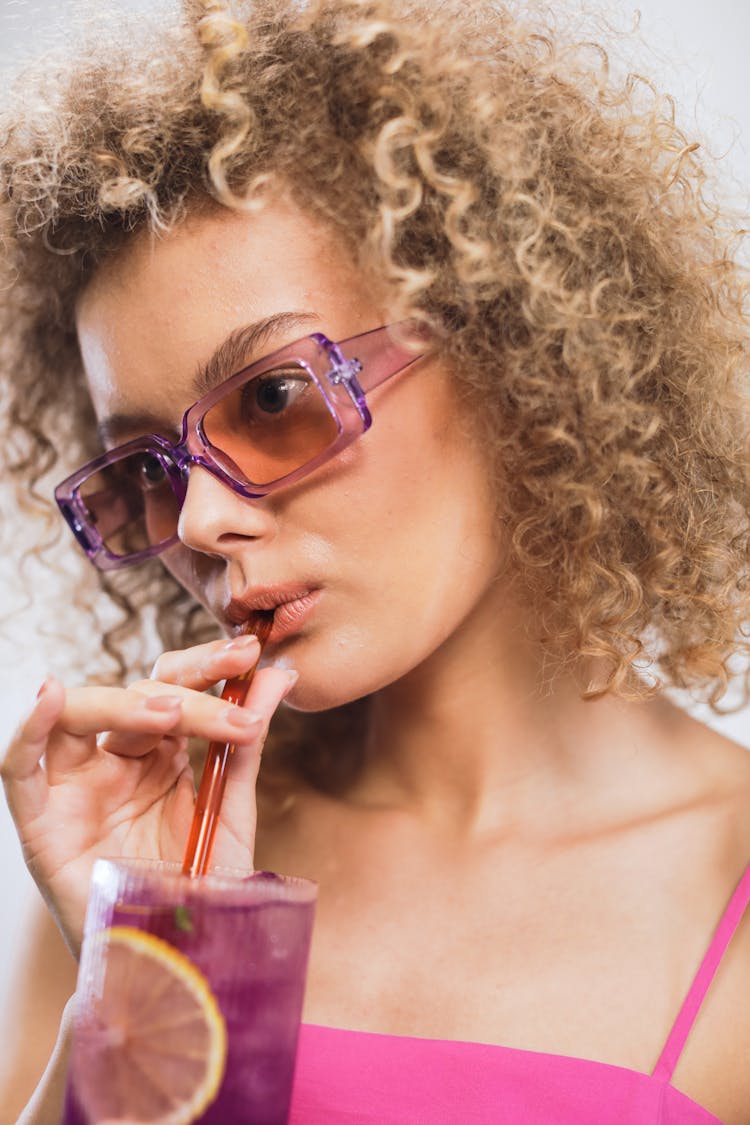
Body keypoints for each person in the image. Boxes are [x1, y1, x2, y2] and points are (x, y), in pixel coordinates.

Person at [1, 0, 750, 1121]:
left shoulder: (726, 873)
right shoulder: (159, 871)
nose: (199, 520)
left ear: (512, 348)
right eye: (149, 468)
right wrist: (152, 968)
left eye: (272, 399)